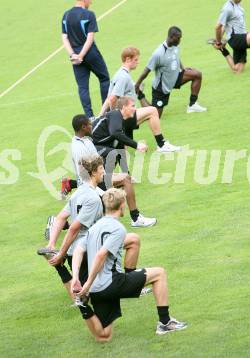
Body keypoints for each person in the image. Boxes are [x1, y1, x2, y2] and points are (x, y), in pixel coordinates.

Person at [71, 188, 187, 342]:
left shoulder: (94, 228)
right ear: (122, 206)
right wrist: (87, 284)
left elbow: (78, 250)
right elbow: (101, 255)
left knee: (104, 335)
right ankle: (165, 323)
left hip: (96, 290)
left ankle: (84, 306)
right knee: (159, 273)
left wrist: (76, 278)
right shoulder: (118, 229)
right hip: (112, 283)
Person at [60, 114, 156, 228]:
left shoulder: (86, 141)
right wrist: (102, 192)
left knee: (93, 219)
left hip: (96, 179)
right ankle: (136, 218)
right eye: (90, 125)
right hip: (90, 184)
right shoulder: (79, 148)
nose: (92, 127)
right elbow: (84, 176)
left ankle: (61, 224)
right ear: (83, 127)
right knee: (126, 180)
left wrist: (109, 175)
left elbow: (98, 163)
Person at [99, 47, 181, 152]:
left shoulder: (120, 74)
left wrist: (102, 115)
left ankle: (118, 147)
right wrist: (113, 117)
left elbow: (109, 98)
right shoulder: (123, 77)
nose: (138, 62)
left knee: (123, 148)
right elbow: (113, 98)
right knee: (153, 111)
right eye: (136, 60)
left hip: (124, 114)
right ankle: (162, 145)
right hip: (124, 116)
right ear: (128, 59)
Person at [46, 156, 105, 299]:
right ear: (93, 173)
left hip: (75, 253)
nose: (104, 172)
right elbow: (74, 229)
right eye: (101, 169)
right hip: (87, 253)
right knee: (92, 298)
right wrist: (60, 253)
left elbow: (60, 217)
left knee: (87, 295)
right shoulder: (93, 198)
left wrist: (52, 243)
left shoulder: (77, 193)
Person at [135, 27, 207, 117]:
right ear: (172, 37)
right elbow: (146, 71)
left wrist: (183, 69)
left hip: (175, 77)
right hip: (162, 87)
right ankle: (140, 94)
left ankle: (192, 105)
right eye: (178, 38)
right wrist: (137, 84)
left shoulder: (175, 46)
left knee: (197, 74)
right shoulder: (158, 54)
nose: (180, 40)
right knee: (155, 115)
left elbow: (176, 57)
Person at [61, 0, 110, 119]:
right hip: (89, 53)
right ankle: (106, 113)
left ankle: (90, 117)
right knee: (104, 78)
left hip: (75, 56)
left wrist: (73, 55)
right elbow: (90, 38)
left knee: (83, 87)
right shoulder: (89, 14)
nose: (91, 2)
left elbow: (64, 37)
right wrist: (82, 55)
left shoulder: (66, 15)